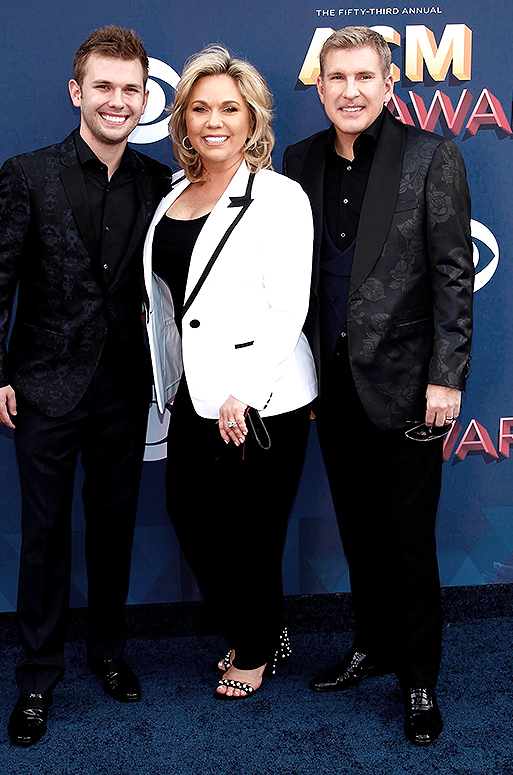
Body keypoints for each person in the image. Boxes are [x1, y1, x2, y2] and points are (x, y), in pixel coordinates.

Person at [0, 25, 171, 745]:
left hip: (124, 390)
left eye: (130, 89)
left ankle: (109, 651)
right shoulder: (26, 173)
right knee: (45, 537)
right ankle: (36, 676)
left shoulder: (158, 182)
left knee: (114, 532)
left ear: (145, 97)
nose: (117, 101)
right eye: (104, 87)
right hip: (44, 386)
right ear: (76, 91)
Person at [283, 26, 473, 744]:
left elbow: (455, 274)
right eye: (338, 78)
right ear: (321, 86)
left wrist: (445, 377)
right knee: (359, 530)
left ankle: (419, 675)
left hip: (407, 388)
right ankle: (372, 643)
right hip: (328, 389)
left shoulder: (430, 157)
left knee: (408, 539)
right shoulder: (299, 162)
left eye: (366, 77)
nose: (351, 90)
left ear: (389, 85)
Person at [143, 45, 317, 700]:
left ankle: (253, 646)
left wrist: (248, 390)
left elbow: (288, 306)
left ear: (252, 120)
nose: (214, 120)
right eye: (200, 107)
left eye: (229, 108)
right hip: (194, 392)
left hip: (263, 397)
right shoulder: (173, 196)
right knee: (188, 511)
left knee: (251, 533)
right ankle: (264, 627)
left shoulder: (279, 196)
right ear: (182, 118)